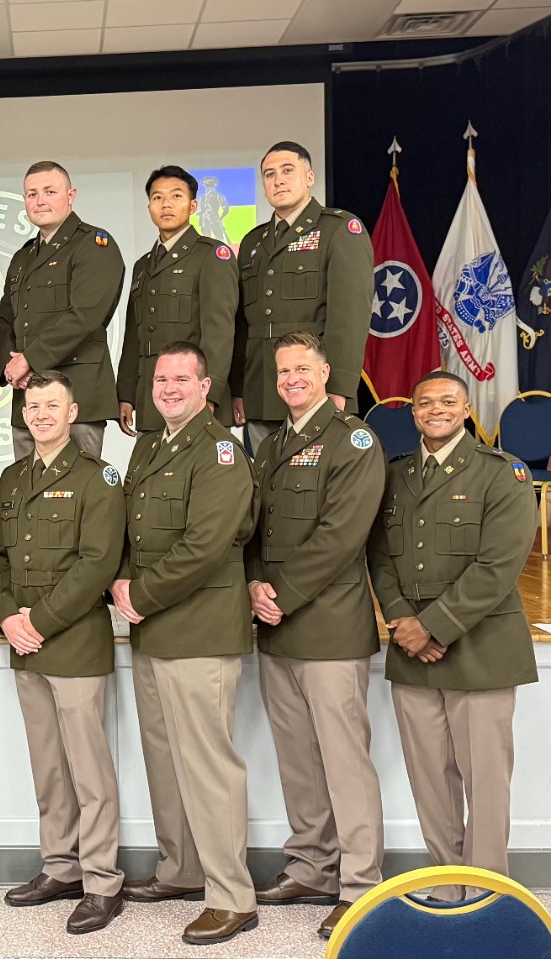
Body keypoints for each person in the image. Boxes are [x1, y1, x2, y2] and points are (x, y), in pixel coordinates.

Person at [368, 371, 538, 901]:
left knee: (485, 782)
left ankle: (487, 894)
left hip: (481, 648)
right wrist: (403, 621)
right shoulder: (394, 474)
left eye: (448, 401)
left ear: (466, 411)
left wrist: (431, 627)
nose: (435, 410)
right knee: (430, 780)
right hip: (412, 652)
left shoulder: (502, 472)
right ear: (413, 411)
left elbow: (499, 566)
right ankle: (446, 885)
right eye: (425, 403)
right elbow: (379, 555)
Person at [110, 342, 259, 946]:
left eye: (181, 379)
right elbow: (130, 530)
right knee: (166, 760)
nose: (169, 388)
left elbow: (205, 545)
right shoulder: (150, 445)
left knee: (208, 766)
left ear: (205, 386)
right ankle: (182, 870)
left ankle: (232, 898)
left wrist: (139, 593)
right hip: (151, 629)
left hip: (198, 628)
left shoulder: (220, 451)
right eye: (161, 379)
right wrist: (120, 583)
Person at [246, 332, 385, 938]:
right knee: (297, 760)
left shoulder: (353, 441)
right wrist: (254, 584)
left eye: (302, 369)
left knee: (344, 762)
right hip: (276, 629)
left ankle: (360, 884)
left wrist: (278, 595)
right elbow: (252, 530)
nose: (291, 379)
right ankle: (311, 866)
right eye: (283, 371)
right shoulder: (272, 445)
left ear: (326, 374)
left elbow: (341, 535)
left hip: (328, 628)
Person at [0, 370, 126, 935]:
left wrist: (36, 621)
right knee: (48, 767)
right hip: (26, 645)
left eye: (52, 406)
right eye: (33, 406)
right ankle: (61, 867)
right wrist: (6, 618)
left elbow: (97, 563)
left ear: (72, 413)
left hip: (73, 643)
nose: (41, 415)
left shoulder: (98, 476)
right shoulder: (13, 476)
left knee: (89, 772)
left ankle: (102, 882)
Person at [230, 141, 374, 452]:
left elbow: (350, 317)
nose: (278, 180)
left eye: (287, 170)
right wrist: (238, 388)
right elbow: (243, 324)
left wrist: (338, 386)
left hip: (315, 387)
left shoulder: (339, 229)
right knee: (264, 476)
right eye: (269, 174)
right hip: (260, 389)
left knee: (314, 475)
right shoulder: (253, 241)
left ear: (309, 177)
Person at [0, 162, 125, 460]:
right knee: (26, 485)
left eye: (50, 192)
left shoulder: (94, 245)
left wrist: (29, 360)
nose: (40, 201)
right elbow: (3, 319)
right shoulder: (23, 256)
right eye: (32, 194)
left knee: (79, 486)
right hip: (28, 397)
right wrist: (10, 365)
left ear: (71, 195)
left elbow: (86, 315)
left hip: (78, 397)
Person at [116, 166, 237, 436]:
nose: (166, 204)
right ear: (149, 207)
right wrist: (126, 393)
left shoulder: (212, 256)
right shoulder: (142, 265)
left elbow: (219, 333)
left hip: (194, 397)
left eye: (176, 196)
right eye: (157, 197)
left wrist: (210, 393)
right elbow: (134, 336)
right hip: (152, 398)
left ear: (193, 206)